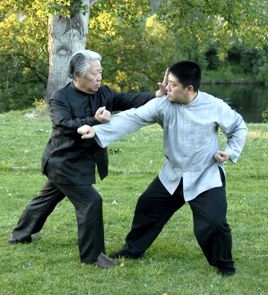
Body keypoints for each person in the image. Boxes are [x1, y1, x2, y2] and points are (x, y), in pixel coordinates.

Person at [77, 60, 248, 276]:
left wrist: (230, 151)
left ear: (190, 89)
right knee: (147, 207)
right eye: (168, 82)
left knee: (213, 223)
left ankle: (224, 264)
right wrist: (97, 131)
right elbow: (134, 117)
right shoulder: (163, 104)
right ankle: (132, 250)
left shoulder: (215, 106)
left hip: (205, 174)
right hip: (173, 174)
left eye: (173, 84)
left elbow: (238, 127)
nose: (167, 87)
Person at [8, 49, 163, 268]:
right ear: (78, 76)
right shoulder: (60, 98)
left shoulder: (104, 92)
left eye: (100, 72)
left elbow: (127, 99)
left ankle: (19, 234)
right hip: (63, 162)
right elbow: (64, 124)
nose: (99, 77)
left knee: (47, 198)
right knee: (91, 201)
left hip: (82, 162)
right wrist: (94, 120)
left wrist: (156, 95)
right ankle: (93, 256)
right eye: (94, 73)